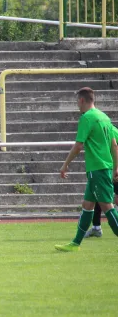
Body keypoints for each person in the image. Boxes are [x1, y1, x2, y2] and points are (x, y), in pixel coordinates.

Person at [55, 87, 118, 252]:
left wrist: (65, 164)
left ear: (82, 100)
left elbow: (78, 146)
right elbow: (114, 145)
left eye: (77, 101)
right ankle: (75, 243)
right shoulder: (104, 117)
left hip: (98, 168)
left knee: (107, 206)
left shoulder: (87, 118)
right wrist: (115, 167)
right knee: (87, 204)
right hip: (101, 168)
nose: (77, 104)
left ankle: (76, 242)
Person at [84, 125, 118, 238]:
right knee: (99, 197)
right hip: (107, 169)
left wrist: (116, 168)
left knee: (108, 200)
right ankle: (96, 227)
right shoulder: (103, 130)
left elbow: (115, 147)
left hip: (111, 170)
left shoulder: (111, 131)